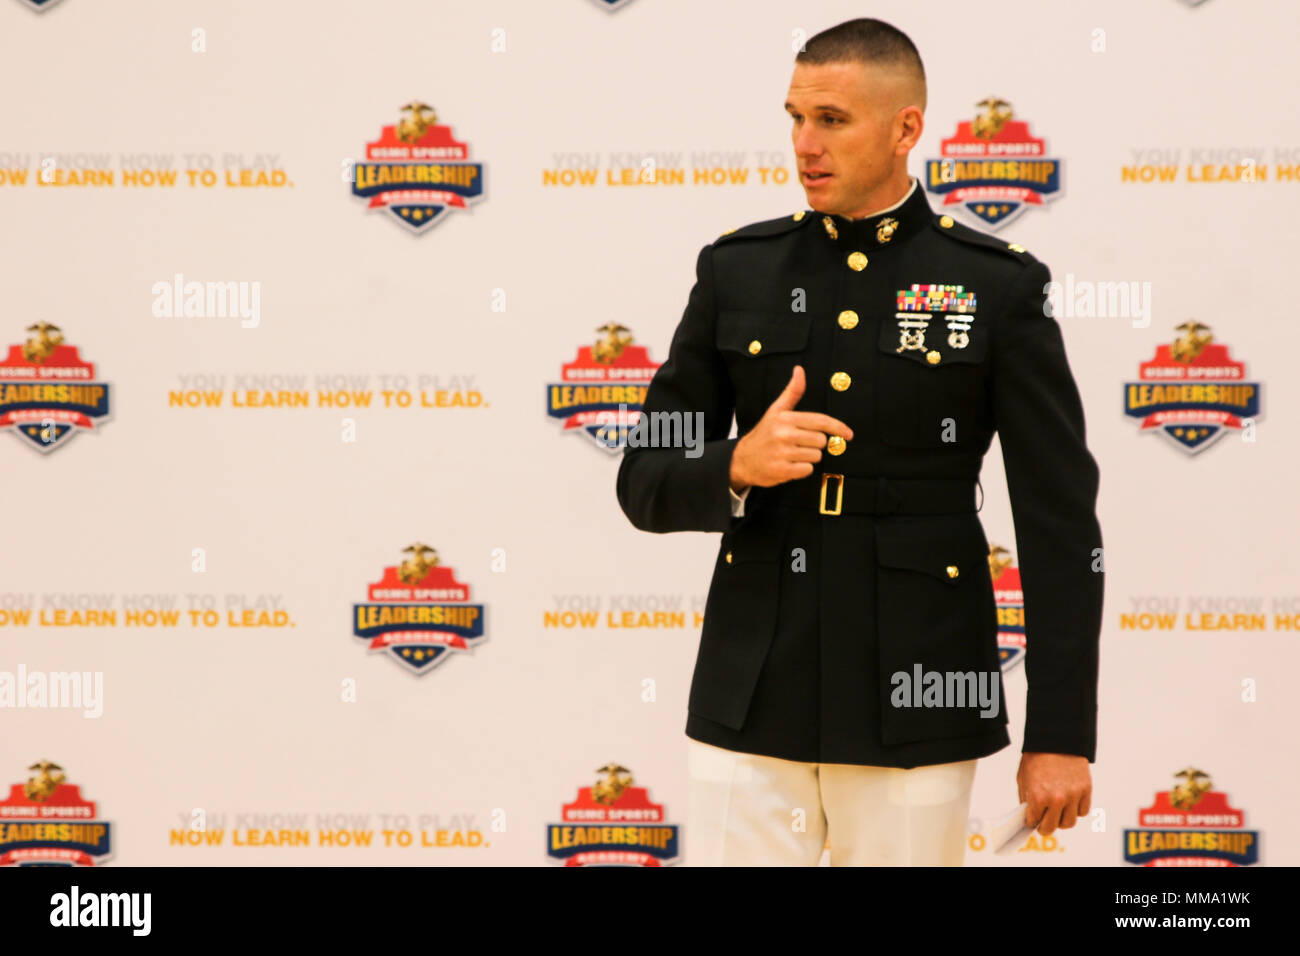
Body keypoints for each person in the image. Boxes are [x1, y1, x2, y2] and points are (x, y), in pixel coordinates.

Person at [615, 17, 1103, 866]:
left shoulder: (996, 287)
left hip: (918, 683)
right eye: (796, 117)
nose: (805, 143)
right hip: (751, 684)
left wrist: (1060, 734)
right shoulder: (737, 269)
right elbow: (644, 478)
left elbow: (1059, 525)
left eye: (832, 119)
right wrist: (734, 464)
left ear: (907, 127)